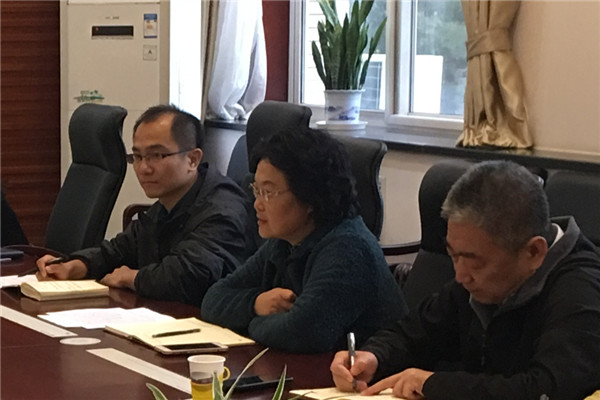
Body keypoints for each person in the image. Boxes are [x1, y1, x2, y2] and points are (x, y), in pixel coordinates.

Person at [330, 160, 600, 400]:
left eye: (475, 261)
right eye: (453, 255)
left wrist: (434, 384)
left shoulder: (579, 290)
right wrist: (374, 356)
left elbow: (548, 390)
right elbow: (413, 334)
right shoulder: (475, 280)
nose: (460, 275)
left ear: (533, 252)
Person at [201, 126, 407, 353]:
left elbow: (301, 333)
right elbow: (212, 300)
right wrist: (256, 304)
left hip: (366, 373)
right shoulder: (284, 241)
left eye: (268, 193)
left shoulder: (349, 248)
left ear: (310, 197)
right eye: (256, 190)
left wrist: (251, 322)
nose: (257, 204)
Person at [36, 104, 251, 307]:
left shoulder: (222, 209)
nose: (143, 168)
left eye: (156, 156)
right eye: (137, 156)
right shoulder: (167, 203)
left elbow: (191, 275)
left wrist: (133, 277)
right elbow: (120, 250)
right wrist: (78, 265)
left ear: (193, 160)